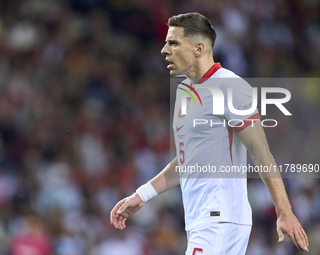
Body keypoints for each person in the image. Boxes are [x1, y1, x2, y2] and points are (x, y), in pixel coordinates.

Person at [110, 12, 309, 254]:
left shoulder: (229, 86)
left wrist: (284, 211)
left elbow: (260, 152)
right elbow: (189, 159)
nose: (164, 50)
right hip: (200, 221)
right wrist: (143, 194)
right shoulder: (184, 92)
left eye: (173, 43)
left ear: (198, 48)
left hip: (220, 218)